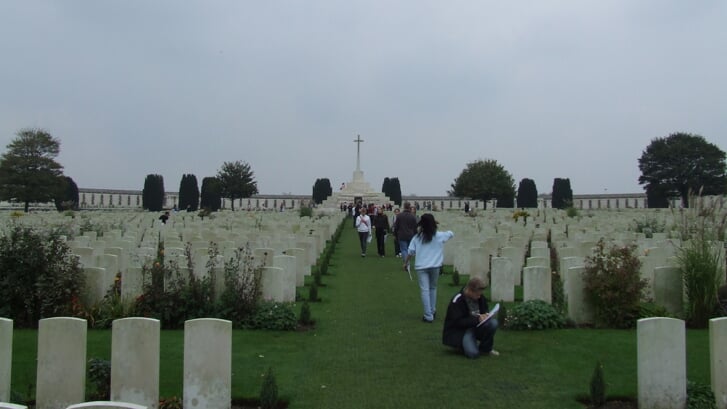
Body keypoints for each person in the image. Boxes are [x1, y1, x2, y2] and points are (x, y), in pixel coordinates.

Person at [403, 213, 454, 323]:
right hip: (435, 266)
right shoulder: (439, 235)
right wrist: (435, 224)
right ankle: (432, 310)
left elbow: (411, 252)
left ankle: (428, 315)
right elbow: (451, 233)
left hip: (421, 266)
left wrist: (406, 263)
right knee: (433, 288)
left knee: (425, 290)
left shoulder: (417, 238)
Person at [442, 277, 499, 358]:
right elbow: (457, 322)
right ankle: (461, 345)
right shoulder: (458, 300)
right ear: (469, 291)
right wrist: (477, 319)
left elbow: (484, 309)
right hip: (462, 331)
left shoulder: (480, 297)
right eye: (477, 294)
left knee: (493, 323)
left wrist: (485, 315)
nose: (479, 296)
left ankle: (486, 349)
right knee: (473, 354)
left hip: (477, 326)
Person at [393, 202, 417, 268]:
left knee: (403, 250)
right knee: (409, 250)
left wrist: (395, 234)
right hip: (410, 235)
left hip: (401, 234)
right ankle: (407, 263)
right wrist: (416, 234)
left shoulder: (399, 216)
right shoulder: (412, 216)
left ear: (404, 206)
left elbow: (396, 226)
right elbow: (415, 227)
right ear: (409, 207)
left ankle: (407, 263)